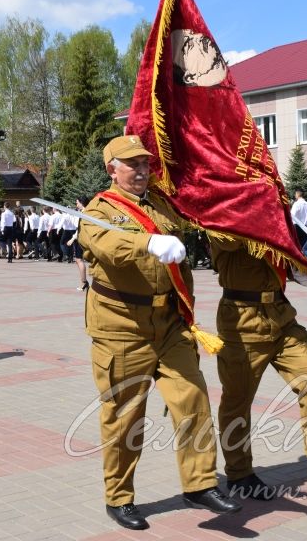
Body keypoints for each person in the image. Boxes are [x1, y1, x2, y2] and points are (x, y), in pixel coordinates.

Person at [79, 135, 240, 531]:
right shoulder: (99, 212)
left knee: (193, 398)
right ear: (111, 168)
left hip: (168, 323)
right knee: (124, 416)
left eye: (144, 163)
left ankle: (199, 483)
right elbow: (109, 247)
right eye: (131, 163)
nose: (140, 169)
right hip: (122, 328)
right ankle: (119, 497)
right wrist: (149, 242)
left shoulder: (162, 206)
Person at [209, 225, 307, 499]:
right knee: (237, 400)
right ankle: (239, 473)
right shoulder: (221, 217)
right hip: (241, 322)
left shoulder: (272, 216)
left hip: (281, 315)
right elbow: (229, 241)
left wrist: (299, 264)